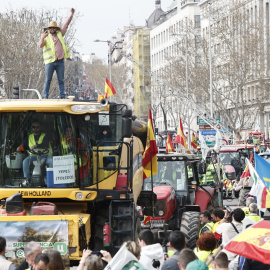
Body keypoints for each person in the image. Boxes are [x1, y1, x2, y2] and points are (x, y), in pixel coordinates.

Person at [39, 8, 75, 99]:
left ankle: (62, 95)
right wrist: (42, 37)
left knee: (61, 80)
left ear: (56, 28)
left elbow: (66, 24)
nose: (52, 29)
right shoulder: (46, 36)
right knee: (48, 80)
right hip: (50, 62)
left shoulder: (60, 34)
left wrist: (71, 14)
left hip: (60, 61)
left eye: (54, 27)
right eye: (51, 28)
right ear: (49, 29)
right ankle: (45, 96)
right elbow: (40, 45)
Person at [16, 120, 53, 186]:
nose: (35, 128)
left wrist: (36, 146)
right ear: (32, 128)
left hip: (45, 156)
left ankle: (48, 179)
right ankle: (28, 180)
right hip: (33, 157)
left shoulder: (45, 135)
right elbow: (23, 145)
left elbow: (45, 144)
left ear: (40, 127)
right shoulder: (29, 137)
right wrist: (19, 148)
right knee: (25, 161)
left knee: (51, 162)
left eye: (37, 127)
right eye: (34, 127)